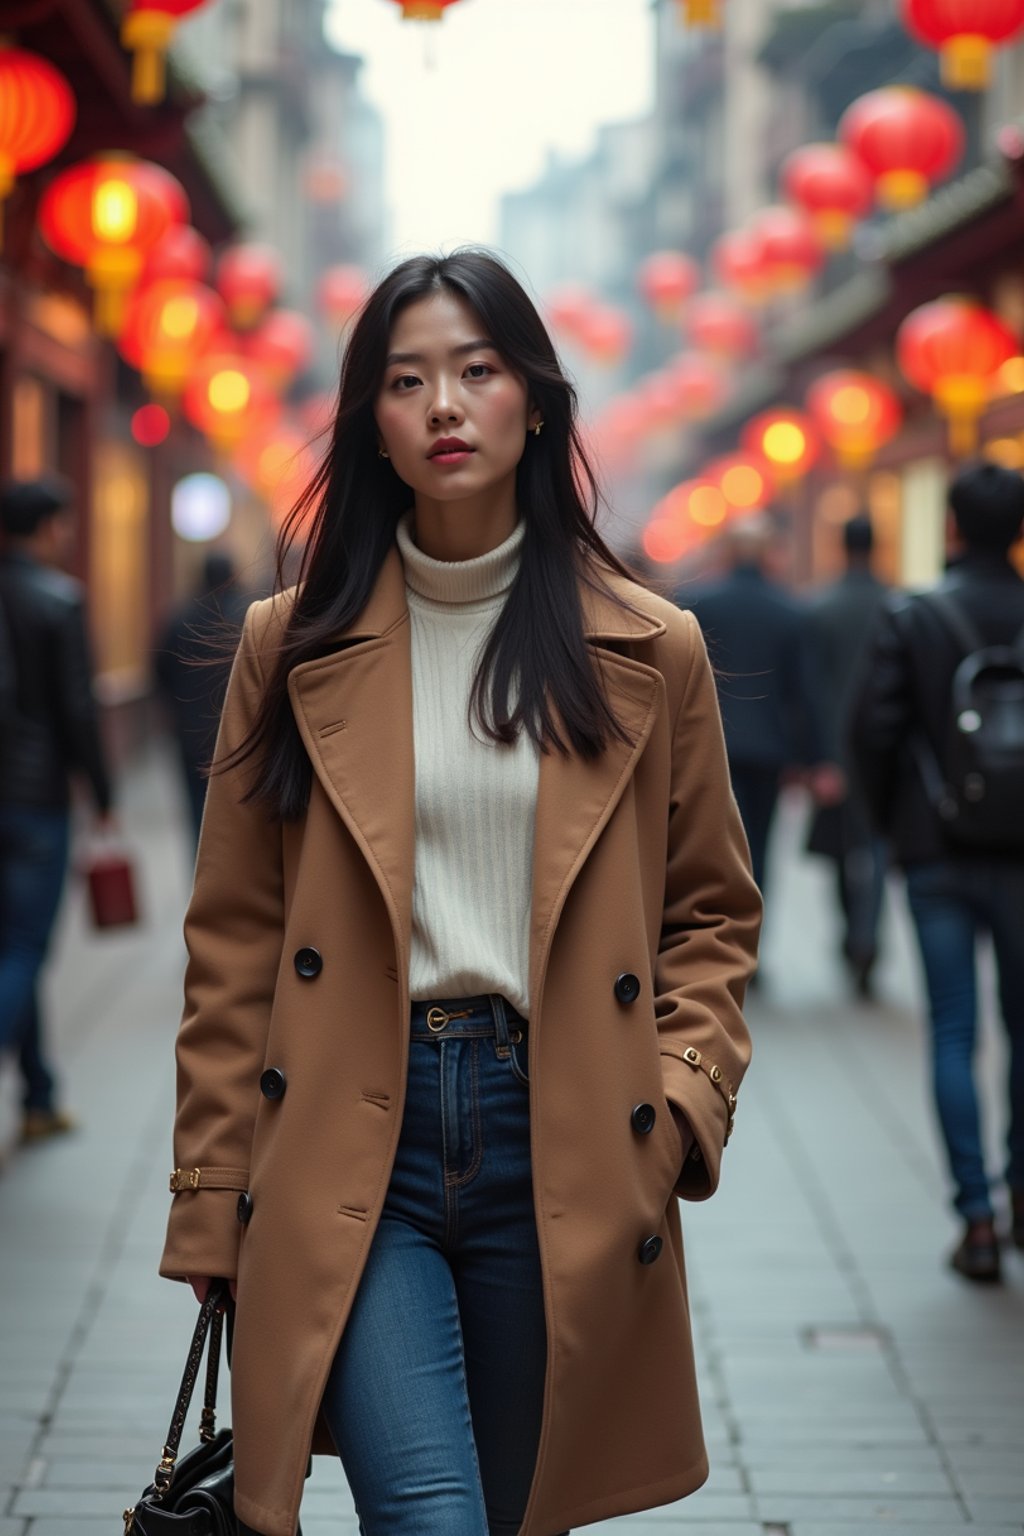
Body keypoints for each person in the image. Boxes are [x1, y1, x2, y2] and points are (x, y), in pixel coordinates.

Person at [159, 248, 761, 1536]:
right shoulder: (290, 643)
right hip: (346, 1129)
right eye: (406, 379)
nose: (443, 404)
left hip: (566, 1125)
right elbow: (233, 944)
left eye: (477, 372)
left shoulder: (651, 648)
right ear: (370, 421)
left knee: (514, 1512)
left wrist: (677, 1109)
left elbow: (712, 912)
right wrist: (212, 1199)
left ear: (533, 402)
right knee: (428, 1515)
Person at [850, 461, 1024, 1284]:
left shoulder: (915, 616)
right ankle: (1020, 1191)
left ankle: (977, 1219)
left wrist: (893, 828)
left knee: (953, 1030)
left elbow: (875, 732)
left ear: (951, 526)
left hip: (938, 853)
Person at [0, 476, 114, 1143]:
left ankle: (39, 1094)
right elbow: (78, 706)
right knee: (21, 946)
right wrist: (102, 795)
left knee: (14, 943)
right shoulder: (59, 599)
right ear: (47, 528)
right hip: (36, 801)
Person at [687, 514, 837, 902]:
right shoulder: (788, 611)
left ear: (727, 552)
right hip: (770, 750)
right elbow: (805, 692)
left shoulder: (698, 605)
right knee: (759, 850)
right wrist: (816, 759)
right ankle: (752, 942)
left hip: (710, 748)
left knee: (712, 849)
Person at [804, 514, 890, 998]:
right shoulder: (895, 604)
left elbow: (813, 692)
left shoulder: (823, 608)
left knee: (841, 851)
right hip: (881, 751)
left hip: (836, 753)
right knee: (876, 850)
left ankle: (850, 933)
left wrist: (818, 757)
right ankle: (868, 937)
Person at [154, 550, 251, 845]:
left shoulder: (180, 618)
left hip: (191, 735)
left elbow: (159, 674)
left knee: (198, 812)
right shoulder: (247, 617)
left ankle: (201, 877)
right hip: (240, 734)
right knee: (240, 814)